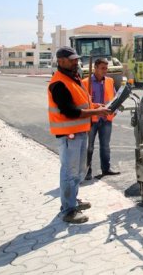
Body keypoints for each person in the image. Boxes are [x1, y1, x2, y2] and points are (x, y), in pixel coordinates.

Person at [48, 46, 111, 224]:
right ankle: (68, 210)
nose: (76, 62)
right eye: (72, 60)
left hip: (80, 131)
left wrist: (96, 106)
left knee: (79, 171)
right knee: (69, 172)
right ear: (61, 61)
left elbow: (83, 103)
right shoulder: (58, 83)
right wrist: (96, 113)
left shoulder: (73, 78)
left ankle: (72, 200)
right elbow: (70, 111)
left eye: (76, 59)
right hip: (69, 134)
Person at [82, 57, 120, 180]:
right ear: (95, 68)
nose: (105, 70)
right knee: (89, 147)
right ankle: (87, 172)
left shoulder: (110, 81)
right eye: (102, 68)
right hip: (92, 120)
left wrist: (115, 111)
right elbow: (83, 103)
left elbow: (114, 98)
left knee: (105, 146)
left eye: (106, 68)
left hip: (106, 119)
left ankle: (106, 168)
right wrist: (97, 109)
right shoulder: (85, 83)